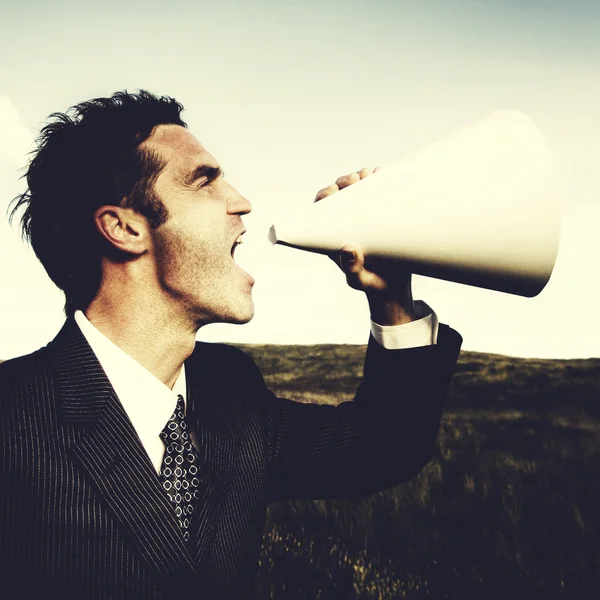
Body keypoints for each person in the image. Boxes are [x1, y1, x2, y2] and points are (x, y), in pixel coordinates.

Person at [0, 90, 462, 599]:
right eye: (204, 181)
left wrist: (391, 295)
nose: (241, 201)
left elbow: (386, 448)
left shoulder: (232, 394)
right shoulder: (11, 418)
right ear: (124, 227)